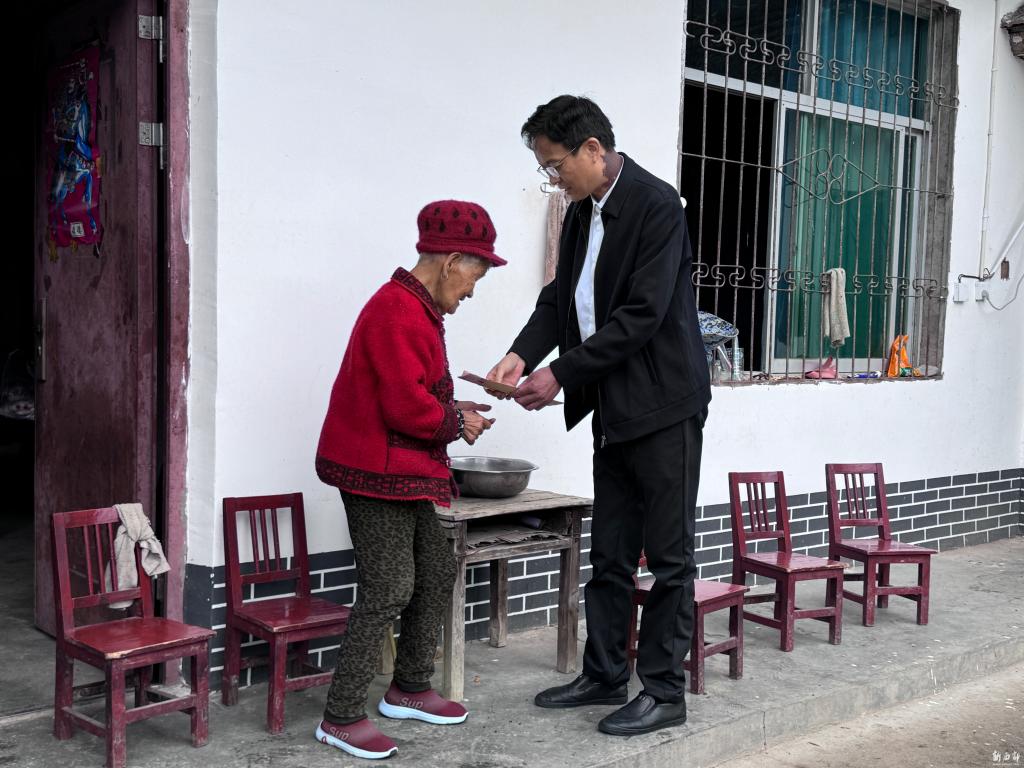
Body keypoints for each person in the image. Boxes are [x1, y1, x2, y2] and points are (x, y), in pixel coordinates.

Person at [487, 95, 711, 737]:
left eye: (555, 165)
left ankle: (664, 691)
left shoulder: (657, 205)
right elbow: (560, 297)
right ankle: (606, 673)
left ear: (592, 148)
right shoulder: (582, 214)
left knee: (668, 558)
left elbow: (641, 316)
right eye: (545, 168)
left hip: (664, 406)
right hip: (612, 407)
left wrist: (560, 373)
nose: (552, 178)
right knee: (610, 551)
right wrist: (521, 354)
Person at [315, 199, 505, 759]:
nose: (472, 291)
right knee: (389, 587)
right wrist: (455, 423)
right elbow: (403, 408)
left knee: (437, 569)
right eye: (475, 276)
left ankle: (410, 688)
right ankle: (339, 716)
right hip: (373, 471)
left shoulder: (415, 308)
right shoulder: (395, 310)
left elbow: (413, 391)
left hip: (402, 469)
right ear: (451, 262)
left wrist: (455, 406)